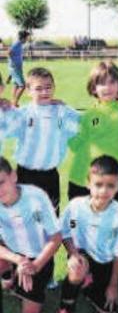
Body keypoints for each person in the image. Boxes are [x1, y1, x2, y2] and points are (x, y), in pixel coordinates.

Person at [67, 61, 118, 282]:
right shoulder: (87, 115)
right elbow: (74, 145)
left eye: (112, 82)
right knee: (80, 224)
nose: (108, 87)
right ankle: (81, 268)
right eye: (101, 83)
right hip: (80, 178)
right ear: (93, 88)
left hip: (112, 181)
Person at [46, 156, 118, 313]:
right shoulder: (76, 206)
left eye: (110, 186)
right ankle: (66, 312)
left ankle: (88, 286)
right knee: (77, 266)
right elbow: (65, 233)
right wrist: (73, 253)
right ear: (88, 183)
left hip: (106, 264)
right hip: (83, 255)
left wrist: (113, 285)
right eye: (99, 184)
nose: (103, 191)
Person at [0, 156, 63, 313]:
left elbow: (56, 237)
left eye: (1, 182)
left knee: (30, 312)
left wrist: (35, 265)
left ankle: (16, 280)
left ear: (14, 176)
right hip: (13, 253)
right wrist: (18, 260)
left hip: (38, 256)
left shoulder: (36, 197)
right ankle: (9, 273)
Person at [2, 68, 80, 214]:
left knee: (50, 216)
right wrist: (3, 105)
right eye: (39, 89)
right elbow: (4, 125)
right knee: (23, 215)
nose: (44, 92)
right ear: (28, 91)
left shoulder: (62, 112)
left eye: (48, 87)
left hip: (50, 175)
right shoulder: (23, 114)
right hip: (25, 175)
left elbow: (86, 122)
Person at [8, 30, 30, 107]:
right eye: (27, 38)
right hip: (15, 67)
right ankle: (15, 103)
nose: (27, 39)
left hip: (15, 67)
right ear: (23, 38)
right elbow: (9, 52)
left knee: (16, 84)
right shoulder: (17, 44)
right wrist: (13, 64)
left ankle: (12, 101)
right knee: (23, 86)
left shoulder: (19, 44)